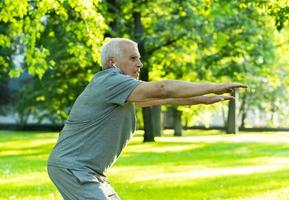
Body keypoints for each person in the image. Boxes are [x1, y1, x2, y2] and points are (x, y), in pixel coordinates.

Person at [47, 38, 247, 200]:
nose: (140, 64)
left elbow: (163, 98)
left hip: (88, 171)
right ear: (112, 63)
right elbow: (162, 89)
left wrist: (203, 100)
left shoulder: (119, 92)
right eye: (133, 58)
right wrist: (212, 86)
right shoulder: (110, 82)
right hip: (73, 168)